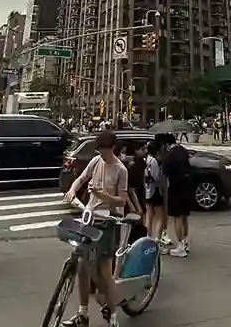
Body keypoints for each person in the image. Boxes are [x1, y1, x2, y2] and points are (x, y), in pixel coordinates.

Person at [61, 129, 129, 327]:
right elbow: (81, 178)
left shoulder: (120, 170)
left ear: (113, 149)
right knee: (82, 266)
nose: (103, 155)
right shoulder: (95, 161)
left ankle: (113, 314)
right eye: (100, 151)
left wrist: (104, 197)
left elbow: (122, 201)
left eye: (106, 152)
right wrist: (72, 190)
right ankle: (82, 313)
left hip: (108, 221)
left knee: (105, 270)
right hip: (89, 218)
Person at [161, 132, 192, 257]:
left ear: (167, 144)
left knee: (177, 217)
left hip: (175, 187)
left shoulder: (169, 155)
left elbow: (165, 172)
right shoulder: (183, 151)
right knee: (184, 216)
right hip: (186, 186)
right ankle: (185, 242)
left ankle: (180, 246)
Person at [143, 140, 165, 240]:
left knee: (149, 213)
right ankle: (158, 238)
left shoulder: (146, 159)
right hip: (155, 190)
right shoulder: (154, 161)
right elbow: (156, 177)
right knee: (160, 214)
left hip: (147, 190)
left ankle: (148, 236)